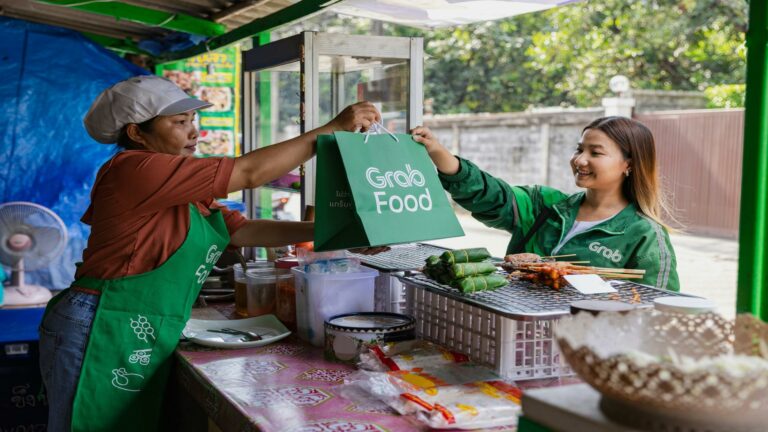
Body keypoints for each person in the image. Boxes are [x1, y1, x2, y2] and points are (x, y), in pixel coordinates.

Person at [38, 75, 381, 431]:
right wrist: (330, 130)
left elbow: (243, 230)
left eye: (193, 122)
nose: (194, 133)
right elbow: (249, 172)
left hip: (136, 324)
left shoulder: (178, 182)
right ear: (137, 133)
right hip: (99, 321)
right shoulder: (133, 169)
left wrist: (340, 233)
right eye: (179, 123)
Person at [411, 116, 679, 291]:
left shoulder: (645, 235)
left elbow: (657, 307)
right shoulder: (546, 204)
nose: (580, 160)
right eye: (579, 149)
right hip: (518, 334)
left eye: (595, 153)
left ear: (628, 164)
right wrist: (437, 151)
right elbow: (491, 196)